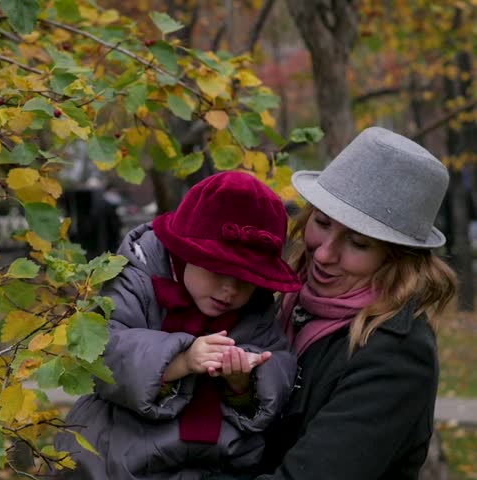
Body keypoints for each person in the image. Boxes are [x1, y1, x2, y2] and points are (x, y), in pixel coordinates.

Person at [55, 171, 302, 479]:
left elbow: (278, 362)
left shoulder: (256, 308)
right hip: (119, 455)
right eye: (218, 272)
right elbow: (105, 348)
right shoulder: (137, 277)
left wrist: (243, 383)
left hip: (217, 462)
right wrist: (180, 359)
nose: (230, 290)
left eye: (245, 281)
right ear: (184, 253)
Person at [252, 126, 458, 479]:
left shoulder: (396, 355)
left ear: (397, 259)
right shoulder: (281, 303)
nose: (324, 253)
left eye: (358, 244)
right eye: (321, 222)